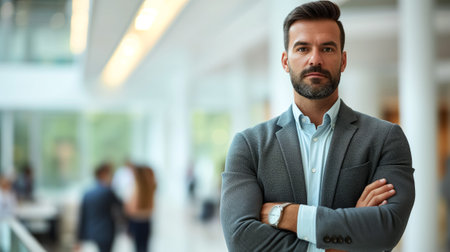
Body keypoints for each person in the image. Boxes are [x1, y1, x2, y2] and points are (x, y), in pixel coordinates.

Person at [220, 1, 415, 252]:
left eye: (327, 48)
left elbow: (386, 229)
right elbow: (240, 239)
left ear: (343, 61)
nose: (315, 59)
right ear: (285, 61)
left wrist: (285, 214)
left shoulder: (385, 139)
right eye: (302, 48)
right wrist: (344, 238)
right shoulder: (249, 146)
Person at [77, 162, 122, 252]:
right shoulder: (108, 191)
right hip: (107, 233)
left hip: (91, 232)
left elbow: (82, 217)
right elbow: (121, 207)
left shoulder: (87, 193)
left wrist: (79, 238)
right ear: (103, 174)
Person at [125, 165, 157, 252]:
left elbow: (130, 209)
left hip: (136, 221)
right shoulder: (149, 187)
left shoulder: (135, 188)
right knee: (144, 247)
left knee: (138, 247)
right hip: (146, 220)